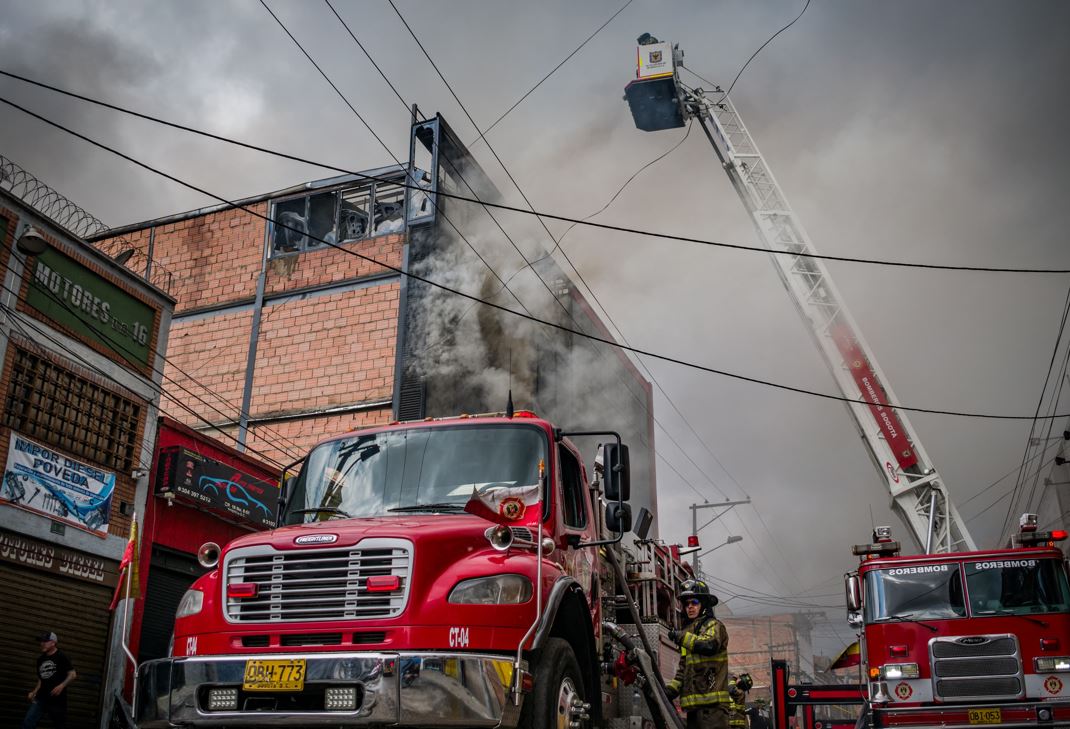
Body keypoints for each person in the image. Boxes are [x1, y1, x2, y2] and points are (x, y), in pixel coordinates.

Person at [665, 580, 731, 729]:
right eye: (687, 604)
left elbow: (709, 645)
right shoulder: (689, 631)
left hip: (713, 710)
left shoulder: (714, 626)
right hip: (694, 709)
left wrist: (680, 637)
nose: (690, 607)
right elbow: (684, 669)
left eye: (694, 602)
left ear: (704, 605)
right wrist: (670, 691)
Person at [23, 631, 76, 729]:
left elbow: (72, 674)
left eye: (45, 641)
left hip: (57, 700)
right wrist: (34, 692)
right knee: (28, 722)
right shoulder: (40, 659)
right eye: (41, 641)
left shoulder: (61, 656)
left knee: (59, 726)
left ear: (53, 642)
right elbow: (41, 679)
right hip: (41, 698)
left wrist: (61, 686)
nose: (42, 643)